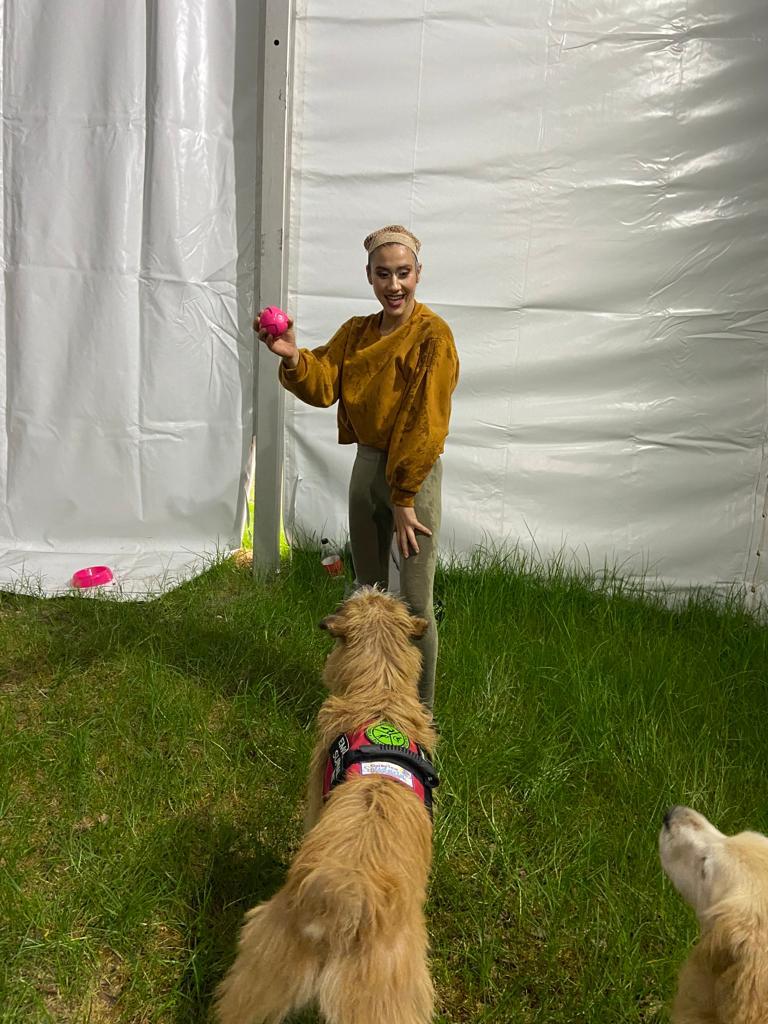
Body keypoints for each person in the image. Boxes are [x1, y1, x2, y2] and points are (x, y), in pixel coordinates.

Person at [256, 225, 459, 709]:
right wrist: (292, 357)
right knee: (368, 597)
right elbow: (324, 382)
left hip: (413, 477)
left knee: (413, 605)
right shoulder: (357, 332)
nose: (394, 286)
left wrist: (406, 499)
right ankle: (368, 699)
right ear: (369, 276)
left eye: (403, 274)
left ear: (418, 274)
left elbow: (424, 422)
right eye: (383, 274)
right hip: (367, 468)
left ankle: (418, 718)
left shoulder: (433, 336)